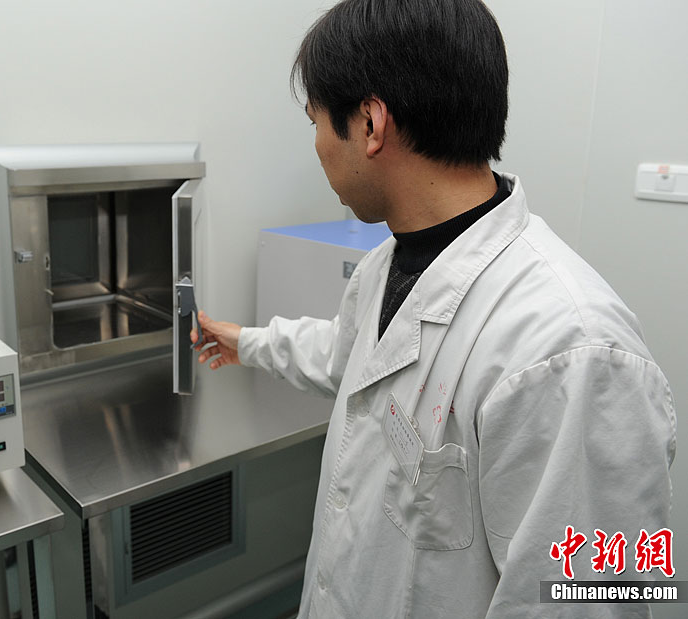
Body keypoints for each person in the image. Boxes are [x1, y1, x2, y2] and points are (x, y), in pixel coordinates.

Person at [192, 0, 676, 617]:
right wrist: (246, 341)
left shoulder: (571, 351)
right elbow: (352, 358)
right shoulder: (389, 263)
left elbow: (590, 602)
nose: (317, 147)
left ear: (371, 124)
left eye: (316, 123)